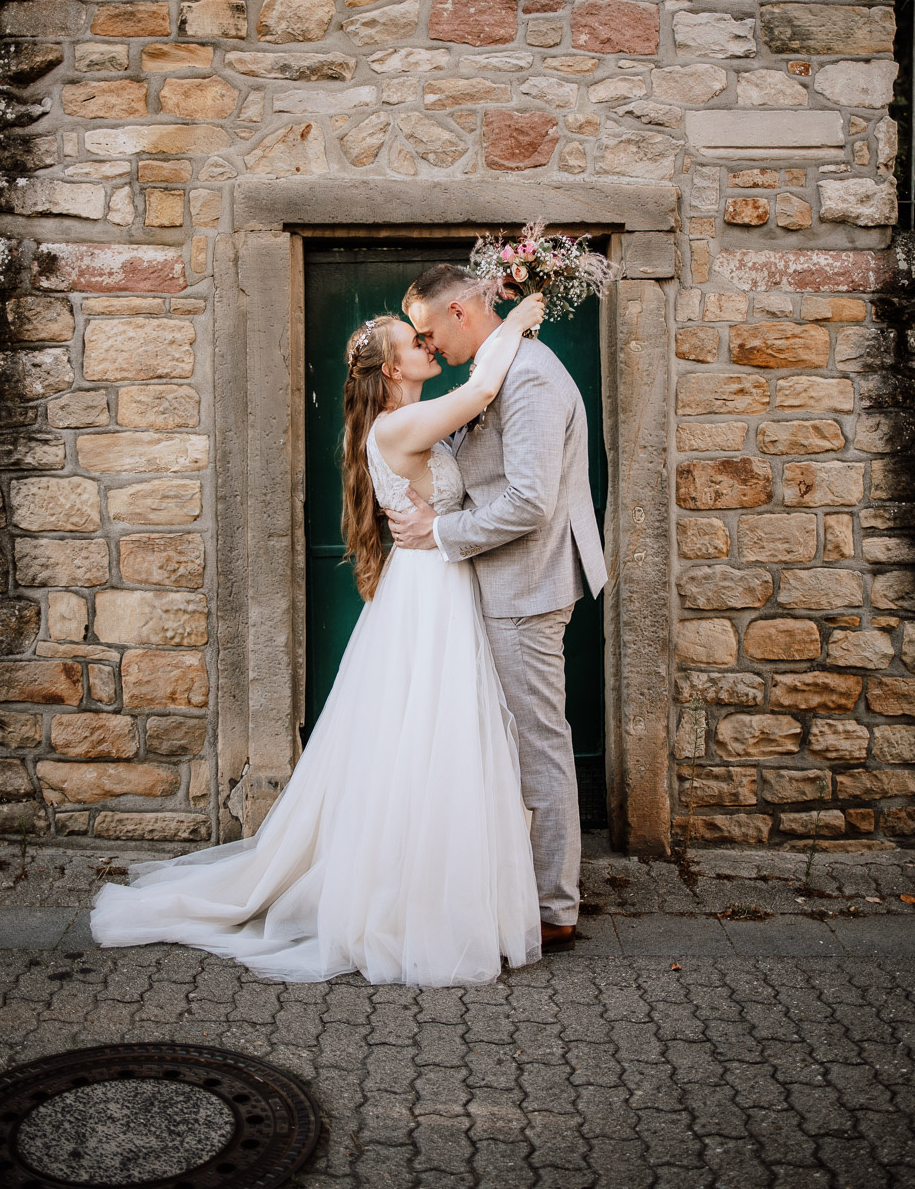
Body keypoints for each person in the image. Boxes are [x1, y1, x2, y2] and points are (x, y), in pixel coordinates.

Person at [90, 291, 546, 987]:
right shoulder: (401, 428)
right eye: (414, 342)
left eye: (426, 338)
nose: (428, 344)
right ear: (392, 370)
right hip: (428, 594)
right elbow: (484, 386)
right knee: (430, 736)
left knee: (428, 740)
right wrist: (513, 322)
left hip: (434, 586)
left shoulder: (405, 419)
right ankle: (417, 904)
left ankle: (438, 888)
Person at [389, 264, 608, 955]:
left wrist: (439, 532)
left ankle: (553, 906)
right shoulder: (498, 365)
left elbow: (530, 501)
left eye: (429, 331)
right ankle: (519, 886)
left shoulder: (532, 376)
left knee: (538, 740)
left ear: (459, 311)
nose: (430, 348)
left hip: (527, 586)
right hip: (499, 583)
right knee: (508, 741)